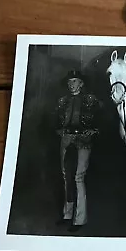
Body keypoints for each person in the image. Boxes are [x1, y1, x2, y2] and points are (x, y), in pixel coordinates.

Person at [55, 69, 102, 232]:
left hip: (83, 140)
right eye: (69, 82)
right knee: (65, 176)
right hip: (66, 139)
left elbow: (103, 119)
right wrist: (58, 130)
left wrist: (95, 131)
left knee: (78, 177)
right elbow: (54, 120)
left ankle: (79, 219)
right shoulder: (62, 101)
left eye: (74, 81)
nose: (71, 84)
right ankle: (67, 215)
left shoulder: (91, 100)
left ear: (81, 83)